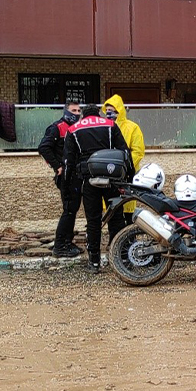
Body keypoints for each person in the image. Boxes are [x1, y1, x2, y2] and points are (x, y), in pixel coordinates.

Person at [64, 106, 130, 273]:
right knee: (116, 218)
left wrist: (67, 184)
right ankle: (121, 259)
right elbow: (124, 151)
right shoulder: (110, 125)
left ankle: (94, 262)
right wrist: (129, 177)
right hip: (112, 177)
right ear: (98, 114)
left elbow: (68, 161)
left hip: (89, 179)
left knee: (93, 221)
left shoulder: (73, 129)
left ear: (83, 115)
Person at [37, 100, 83, 258]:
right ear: (66, 111)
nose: (77, 114)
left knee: (73, 209)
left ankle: (67, 242)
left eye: (78, 111)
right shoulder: (57, 127)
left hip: (75, 175)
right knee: (69, 210)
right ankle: (60, 245)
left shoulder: (77, 128)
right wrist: (57, 166)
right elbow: (43, 147)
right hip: (65, 177)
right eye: (74, 111)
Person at [102, 95, 145, 225]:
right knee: (112, 206)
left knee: (128, 204)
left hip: (126, 173)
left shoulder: (132, 127)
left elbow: (138, 151)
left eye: (112, 110)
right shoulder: (103, 127)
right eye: (107, 110)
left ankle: (128, 230)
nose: (109, 113)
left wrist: (124, 166)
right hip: (108, 172)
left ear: (119, 110)